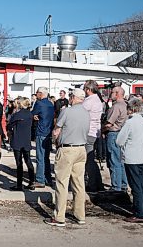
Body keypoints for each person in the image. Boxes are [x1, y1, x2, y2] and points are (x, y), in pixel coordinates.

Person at [45, 89, 89, 227]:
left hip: (67, 148)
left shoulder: (67, 111)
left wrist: (54, 139)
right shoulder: (86, 113)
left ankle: (59, 216)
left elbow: (57, 129)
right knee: (79, 183)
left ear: (74, 98)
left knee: (62, 183)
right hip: (81, 148)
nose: (69, 98)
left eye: (71, 96)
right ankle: (80, 215)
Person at [116, 97, 143, 223]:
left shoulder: (130, 123)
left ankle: (139, 213)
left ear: (131, 109)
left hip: (131, 158)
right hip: (142, 157)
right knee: (142, 185)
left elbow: (119, 141)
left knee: (135, 186)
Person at [103, 86, 128, 192]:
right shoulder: (126, 105)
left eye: (112, 92)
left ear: (117, 93)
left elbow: (109, 124)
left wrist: (101, 129)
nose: (110, 94)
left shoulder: (116, 106)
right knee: (121, 161)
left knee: (114, 160)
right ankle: (123, 184)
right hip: (123, 134)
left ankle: (116, 186)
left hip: (114, 133)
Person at [7, 97, 35, 191]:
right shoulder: (30, 114)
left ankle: (19, 184)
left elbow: (9, 125)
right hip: (26, 139)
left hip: (17, 140)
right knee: (28, 161)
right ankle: (32, 181)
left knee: (19, 163)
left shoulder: (17, 115)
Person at [82, 80, 104, 192]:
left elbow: (80, 112)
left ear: (88, 89)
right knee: (91, 158)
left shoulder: (89, 101)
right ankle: (98, 183)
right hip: (94, 130)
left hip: (89, 131)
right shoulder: (97, 100)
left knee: (88, 159)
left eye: (85, 88)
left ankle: (93, 184)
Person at [32, 86, 55, 187]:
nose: (36, 94)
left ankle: (40, 179)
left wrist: (34, 116)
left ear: (41, 94)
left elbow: (32, 113)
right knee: (46, 157)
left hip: (41, 131)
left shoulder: (39, 103)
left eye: (37, 93)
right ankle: (48, 178)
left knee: (40, 157)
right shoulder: (50, 104)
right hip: (49, 131)